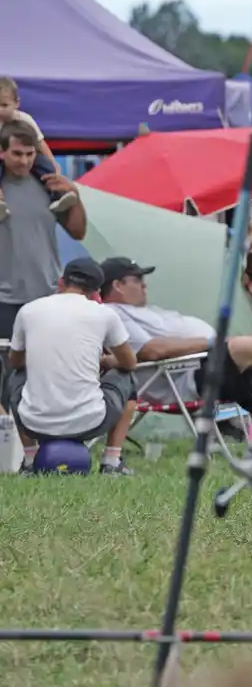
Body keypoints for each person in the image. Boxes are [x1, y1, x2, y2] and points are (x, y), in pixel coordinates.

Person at [99, 256, 252, 453]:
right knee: (240, 347)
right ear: (118, 285)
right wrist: (215, 342)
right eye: (138, 279)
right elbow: (152, 350)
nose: (144, 285)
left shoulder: (141, 311)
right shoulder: (113, 314)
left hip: (200, 367)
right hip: (181, 379)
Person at [7, 258, 139, 476]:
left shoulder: (28, 311)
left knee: (14, 374)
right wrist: (106, 362)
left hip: (34, 422)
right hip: (90, 422)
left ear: (61, 282)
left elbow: (15, 362)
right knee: (126, 375)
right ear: (96, 292)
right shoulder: (105, 314)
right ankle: (111, 461)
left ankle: (30, 460)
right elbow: (130, 362)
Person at [0, 122, 87, 348]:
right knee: (9, 372)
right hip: (4, 300)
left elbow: (78, 232)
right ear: (2, 152)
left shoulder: (47, 184)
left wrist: (74, 195)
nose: (24, 161)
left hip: (48, 294)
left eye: (30, 154)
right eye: (17, 154)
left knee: (48, 364)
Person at [0, 77, 80, 220]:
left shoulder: (25, 119)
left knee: (44, 165)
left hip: (31, 153)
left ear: (16, 103)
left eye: (4, 105)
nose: (0, 110)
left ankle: (57, 196)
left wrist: (52, 162)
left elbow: (40, 142)